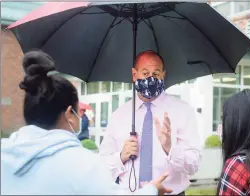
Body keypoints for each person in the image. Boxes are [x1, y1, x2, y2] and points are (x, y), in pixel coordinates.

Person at [1, 51, 172, 195]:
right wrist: (152, 190)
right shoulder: (81, 164)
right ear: (69, 114)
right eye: (78, 111)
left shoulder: (5, 154)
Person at [99, 50, 202, 195]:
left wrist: (170, 149)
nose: (151, 79)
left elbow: (194, 165)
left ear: (163, 75)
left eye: (156, 74)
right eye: (145, 73)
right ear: (135, 75)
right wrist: (121, 156)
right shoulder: (119, 115)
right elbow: (102, 166)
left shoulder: (183, 111)